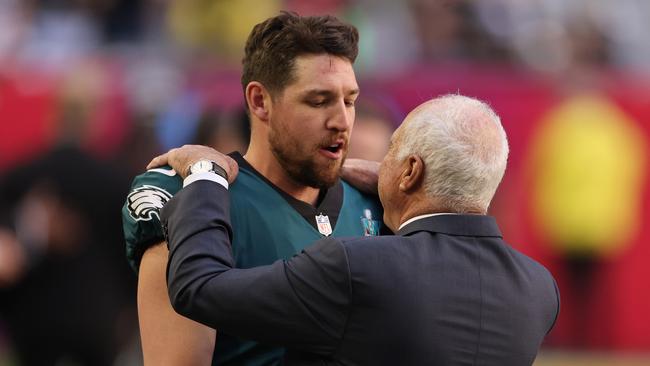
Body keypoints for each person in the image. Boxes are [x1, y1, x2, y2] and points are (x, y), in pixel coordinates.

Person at [153, 94, 560, 366]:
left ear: (411, 171)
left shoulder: (356, 267)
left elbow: (199, 288)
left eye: (393, 151)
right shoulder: (539, 289)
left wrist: (206, 176)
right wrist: (398, 188)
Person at [122, 12, 383, 366]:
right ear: (260, 101)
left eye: (349, 101)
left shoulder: (376, 201)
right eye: (318, 101)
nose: (341, 121)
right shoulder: (195, 201)